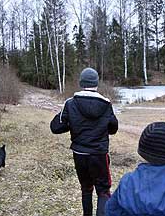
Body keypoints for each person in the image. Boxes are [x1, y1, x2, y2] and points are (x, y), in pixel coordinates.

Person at [50, 67, 118, 216]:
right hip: (99, 155)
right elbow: (113, 128)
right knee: (103, 191)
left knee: (86, 189)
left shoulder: (70, 103)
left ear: (81, 83)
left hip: (79, 154)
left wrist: (67, 117)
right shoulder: (106, 104)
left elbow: (56, 127)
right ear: (96, 83)